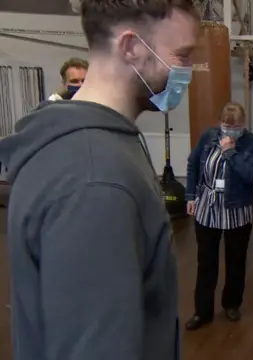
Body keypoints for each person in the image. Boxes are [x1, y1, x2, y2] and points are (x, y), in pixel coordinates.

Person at [0, 1, 200, 359]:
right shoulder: (95, 180)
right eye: (182, 55)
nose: (185, 70)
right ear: (132, 48)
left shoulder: (98, 145)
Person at [184, 101, 253, 330]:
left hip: (237, 208)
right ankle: (202, 311)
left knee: (235, 260)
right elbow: (192, 165)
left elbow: (250, 175)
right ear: (220, 124)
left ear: (243, 125)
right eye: (227, 125)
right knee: (206, 261)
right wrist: (190, 196)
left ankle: (231, 304)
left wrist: (230, 153)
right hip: (208, 204)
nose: (230, 130)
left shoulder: (251, 143)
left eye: (236, 126)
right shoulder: (208, 137)